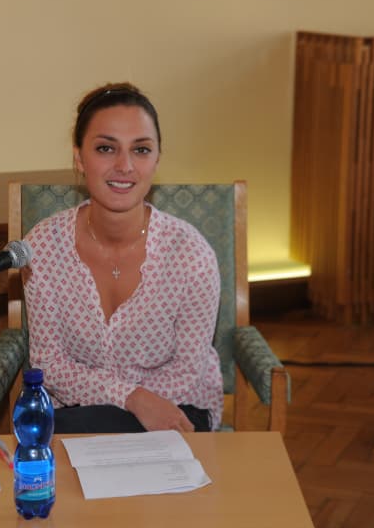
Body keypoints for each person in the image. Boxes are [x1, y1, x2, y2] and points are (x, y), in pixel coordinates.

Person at [21, 82, 224, 433]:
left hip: (176, 408)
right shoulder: (42, 246)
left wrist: (137, 403)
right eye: (106, 148)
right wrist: (131, 398)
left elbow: (188, 372)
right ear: (79, 158)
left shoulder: (191, 255)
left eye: (141, 150)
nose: (125, 165)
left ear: (157, 159)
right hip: (79, 411)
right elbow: (49, 365)